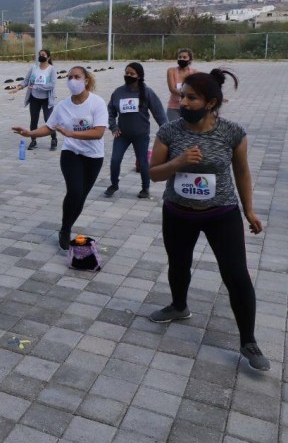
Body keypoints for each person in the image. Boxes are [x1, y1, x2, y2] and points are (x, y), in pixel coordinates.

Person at [148, 69, 269, 371]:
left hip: (221, 214)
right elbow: (153, 173)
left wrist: (248, 210)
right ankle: (179, 306)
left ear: (211, 102)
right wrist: (177, 162)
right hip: (178, 212)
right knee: (178, 264)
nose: (184, 102)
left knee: (236, 275)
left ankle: (248, 341)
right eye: (182, 96)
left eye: (191, 98)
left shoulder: (232, 133)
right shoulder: (169, 131)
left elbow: (242, 172)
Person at [13, 66, 108, 250]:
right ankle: (65, 229)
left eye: (77, 77)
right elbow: (49, 127)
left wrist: (71, 133)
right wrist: (30, 133)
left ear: (86, 80)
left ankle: (67, 225)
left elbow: (98, 132)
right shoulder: (63, 106)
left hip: (93, 156)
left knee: (81, 196)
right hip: (71, 154)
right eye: (69, 77)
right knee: (74, 191)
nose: (72, 80)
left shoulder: (97, 103)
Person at [105, 62, 167, 199]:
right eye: (126, 72)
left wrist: (167, 132)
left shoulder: (147, 92)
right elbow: (110, 112)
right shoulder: (118, 92)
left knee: (143, 162)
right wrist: (113, 127)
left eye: (132, 73)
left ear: (139, 76)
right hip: (122, 135)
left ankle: (145, 188)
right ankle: (114, 184)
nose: (128, 75)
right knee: (115, 160)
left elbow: (159, 113)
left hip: (141, 135)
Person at [19, 49, 58, 151]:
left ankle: (54, 139)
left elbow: (52, 85)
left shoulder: (51, 69)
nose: (41, 56)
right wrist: (18, 87)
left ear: (48, 57)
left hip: (47, 99)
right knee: (34, 120)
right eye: (40, 54)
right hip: (34, 98)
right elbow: (26, 81)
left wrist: (37, 87)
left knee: (48, 120)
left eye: (43, 55)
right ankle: (33, 140)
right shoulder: (34, 68)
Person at [166, 48, 197, 122]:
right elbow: (172, 89)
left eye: (184, 57)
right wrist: (187, 95)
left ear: (190, 59)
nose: (181, 59)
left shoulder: (195, 73)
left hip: (189, 107)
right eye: (179, 57)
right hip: (174, 107)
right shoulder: (171, 71)